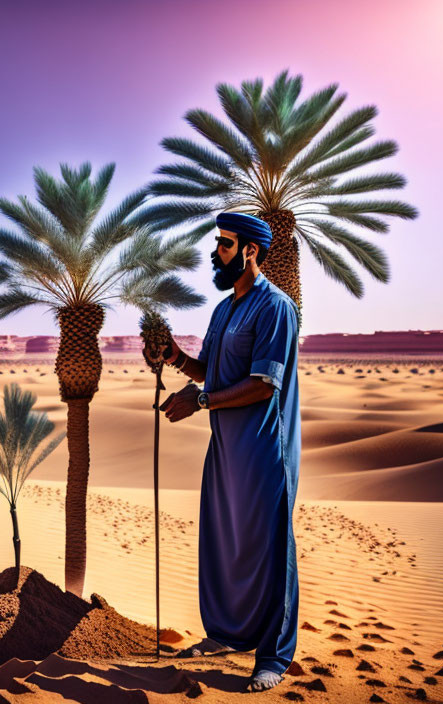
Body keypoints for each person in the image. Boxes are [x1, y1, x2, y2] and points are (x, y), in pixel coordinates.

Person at [145, 211, 301, 693]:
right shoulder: (224, 309)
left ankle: (273, 656)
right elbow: (208, 370)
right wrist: (171, 355)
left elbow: (263, 385)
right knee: (223, 542)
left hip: (262, 449)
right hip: (225, 448)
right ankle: (228, 634)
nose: (216, 253)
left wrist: (203, 401)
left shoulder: (274, 307)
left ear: (251, 250)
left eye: (225, 245)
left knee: (269, 547)